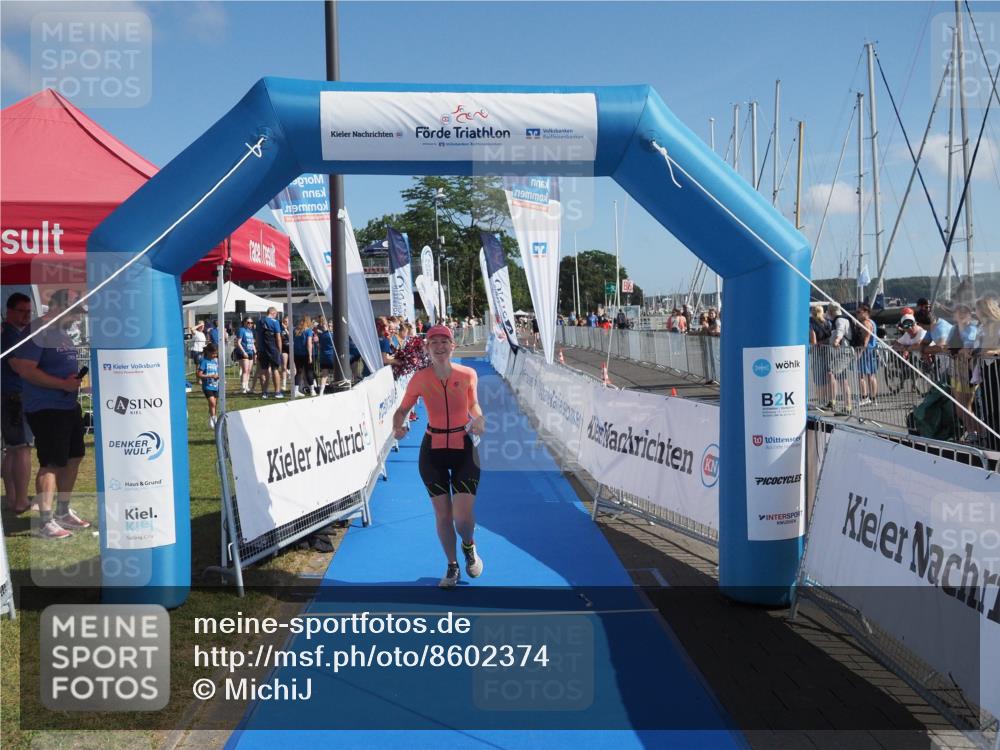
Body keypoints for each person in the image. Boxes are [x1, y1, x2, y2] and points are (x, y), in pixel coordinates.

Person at [391, 325, 486, 588]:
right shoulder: (420, 378)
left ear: (453, 346)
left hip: (464, 448)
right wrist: (398, 426)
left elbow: (473, 404)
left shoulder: (468, 374)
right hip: (432, 451)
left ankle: (469, 545)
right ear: (427, 348)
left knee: (462, 518)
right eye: (434, 342)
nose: (440, 346)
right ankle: (452, 565)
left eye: (445, 341)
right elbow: (402, 410)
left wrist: (479, 419)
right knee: (443, 516)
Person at [8, 289, 90, 539]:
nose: (77, 318)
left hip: (67, 405)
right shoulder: (39, 330)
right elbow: (25, 369)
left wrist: (71, 382)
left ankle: (62, 511)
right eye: (75, 312)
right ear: (61, 307)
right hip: (46, 407)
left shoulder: (61, 332)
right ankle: (45, 521)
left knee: (74, 456)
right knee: (51, 463)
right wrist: (61, 384)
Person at [2, 293, 34, 513]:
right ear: (10, 311)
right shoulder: (11, 335)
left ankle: (13, 498)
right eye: (22, 311)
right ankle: (20, 500)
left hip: (10, 396)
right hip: (14, 397)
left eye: (29, 312)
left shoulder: (9, 333)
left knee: (13, 450)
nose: (26, 316)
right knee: (22, 449)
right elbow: (18, 367)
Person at [257, 307, 284, 399]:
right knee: (275, 369)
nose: (276, 316)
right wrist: (280, 350)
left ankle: (264, 393)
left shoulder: (260, 322)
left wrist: (258, 348)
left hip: (262, 349)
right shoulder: (275, 322)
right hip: (273, 349)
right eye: (276, 314)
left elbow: (257, 336)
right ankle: (277, 392)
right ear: (273, 313)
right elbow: (278, 337)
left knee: (263, 370)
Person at [855, 303, 878, 406]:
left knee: (861, 375)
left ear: (866, 312)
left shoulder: (866, 323)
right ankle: (873, 398)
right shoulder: (872, 322)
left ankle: (864, 397)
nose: (857, 314)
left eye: (859, 312)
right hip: (871, 349)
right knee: (871, 375)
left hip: (866, 350)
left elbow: (866, 339)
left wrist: (860, 353)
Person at [198, 343, 221, 429]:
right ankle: (213, 418)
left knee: (214, 404)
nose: (215, 355)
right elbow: (199, 374)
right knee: (212, 402)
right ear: (208, 352)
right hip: (207, 386)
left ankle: (213, 418)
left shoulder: (215, 361)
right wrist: (210, 376)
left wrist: (218, 376)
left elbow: (217, 372)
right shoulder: (204, 361)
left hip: (215, 386)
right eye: (213, 353)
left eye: (216, 353)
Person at [293, 315, 317, 396]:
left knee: (298, 372)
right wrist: (310, 356)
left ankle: (296, 390)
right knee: (309, 372)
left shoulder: (295, 330)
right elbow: (309, 344)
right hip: (306, 354)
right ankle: (312, 390)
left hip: (297, 354)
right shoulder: (308, 331)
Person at [235, 317, 256, 394]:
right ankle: (243, 387)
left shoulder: (250, 331)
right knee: (245, 370)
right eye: (248, 322)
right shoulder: (241, 330)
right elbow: (238, 342)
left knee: (249, 371)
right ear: (244, 322)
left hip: (250, 352)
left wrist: (255, 352)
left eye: (251, 323)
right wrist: (243, 352)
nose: (250, 324)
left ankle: (246, 386)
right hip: (243, 352)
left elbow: (252, 343)